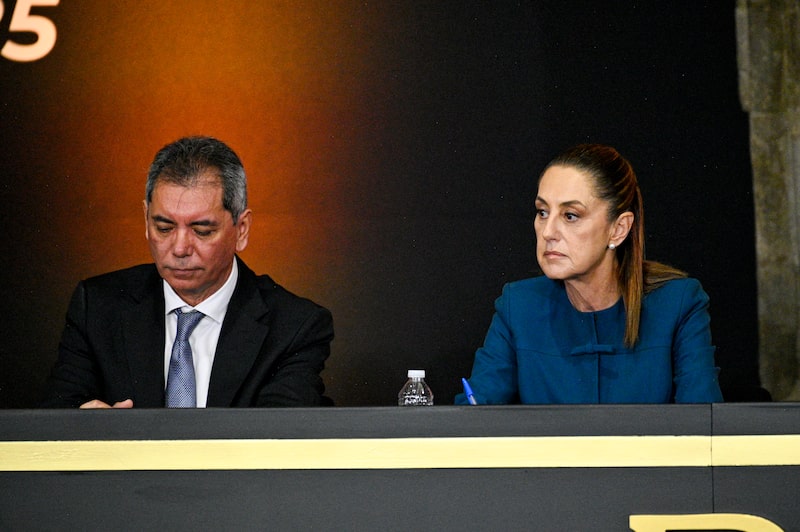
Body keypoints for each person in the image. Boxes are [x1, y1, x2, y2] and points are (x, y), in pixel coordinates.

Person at [41, 136, 334, 408]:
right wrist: (83, 429)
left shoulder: (295, 327)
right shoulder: (97, 307)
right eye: (164, 228)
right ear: (145, 220)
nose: (180, 248)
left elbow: (277, 440)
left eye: (202, 230)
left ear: (241, 230)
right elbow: (55, 421)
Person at [456, 144, 723, 404]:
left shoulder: (678, 305)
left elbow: (705, 430)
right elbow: (471, 422)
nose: (548, 232)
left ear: (618, 229)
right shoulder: (519, 306)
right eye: (542, 212)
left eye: (570, 215)